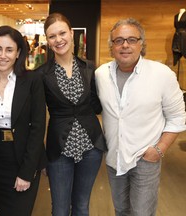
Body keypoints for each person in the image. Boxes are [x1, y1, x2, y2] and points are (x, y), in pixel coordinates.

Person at [95, 18, 186, 216]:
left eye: (131, 39)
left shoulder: (162, 75)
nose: (125, 45)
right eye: (118, 40)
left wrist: (159, 150)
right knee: (121, 210)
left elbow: (178, 117)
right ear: (111, 46)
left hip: (145, 159)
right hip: (114, 158)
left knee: (142, 213)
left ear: (141, 43)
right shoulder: (101, 74)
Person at [35, 13, 107, 216]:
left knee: (82, 205)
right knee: (59, 209)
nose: (58, 39)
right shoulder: (41, 75)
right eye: (52, 36)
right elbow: (38, 119)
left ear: (71, 33)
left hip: (91, 146)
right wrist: (40, 156)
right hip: (59, 149)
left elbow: (97, 105)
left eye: (62, 33)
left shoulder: (90, 68)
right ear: (47, 42)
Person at [0, 25, 47, 216]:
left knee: (20, 211)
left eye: (9, 50)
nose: (3, 55)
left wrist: (27, 172)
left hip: (23, 157)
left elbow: (38, 128)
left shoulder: (32, 80)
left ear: (18, 52)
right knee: (2, 210)